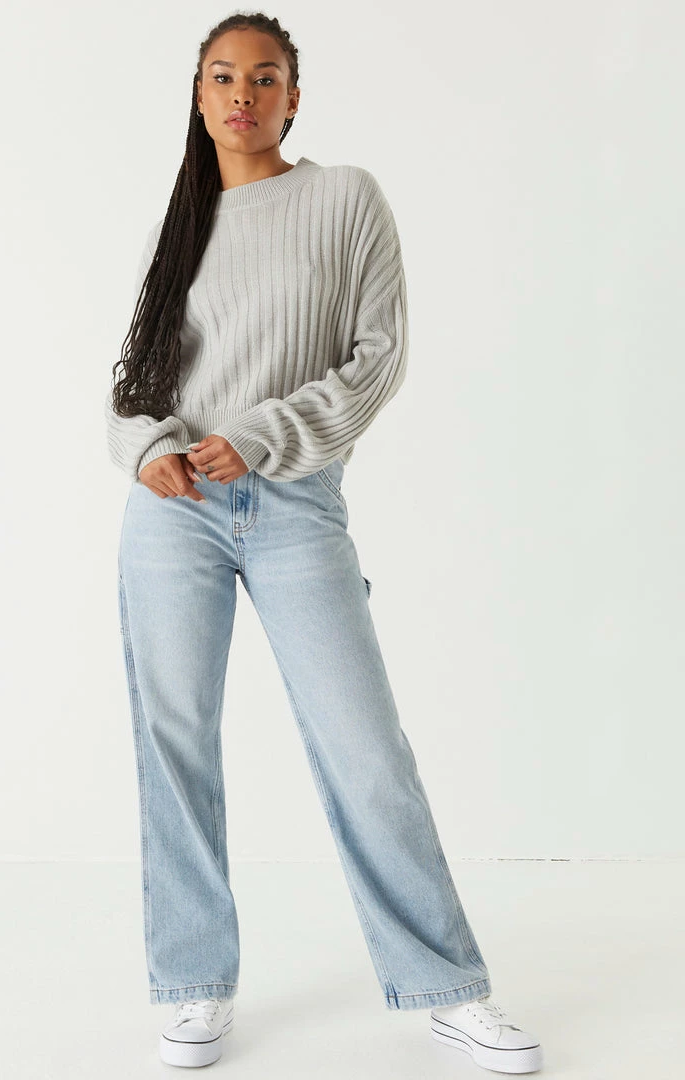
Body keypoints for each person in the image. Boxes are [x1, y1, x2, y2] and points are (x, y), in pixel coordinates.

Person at [105, 12, 544, 1075]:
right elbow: (134, 381)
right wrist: (145, 448)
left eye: (264, 77)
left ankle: (447, 986)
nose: (242, 94)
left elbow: (376, 359)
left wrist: (260, 436)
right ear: (199, 94)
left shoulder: (346, 198)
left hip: (296, 503)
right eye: (222, 76)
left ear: (294, 97)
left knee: (365, 747)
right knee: (174, 744)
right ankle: (194, 980)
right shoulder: (181, 222)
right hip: (174, 512)